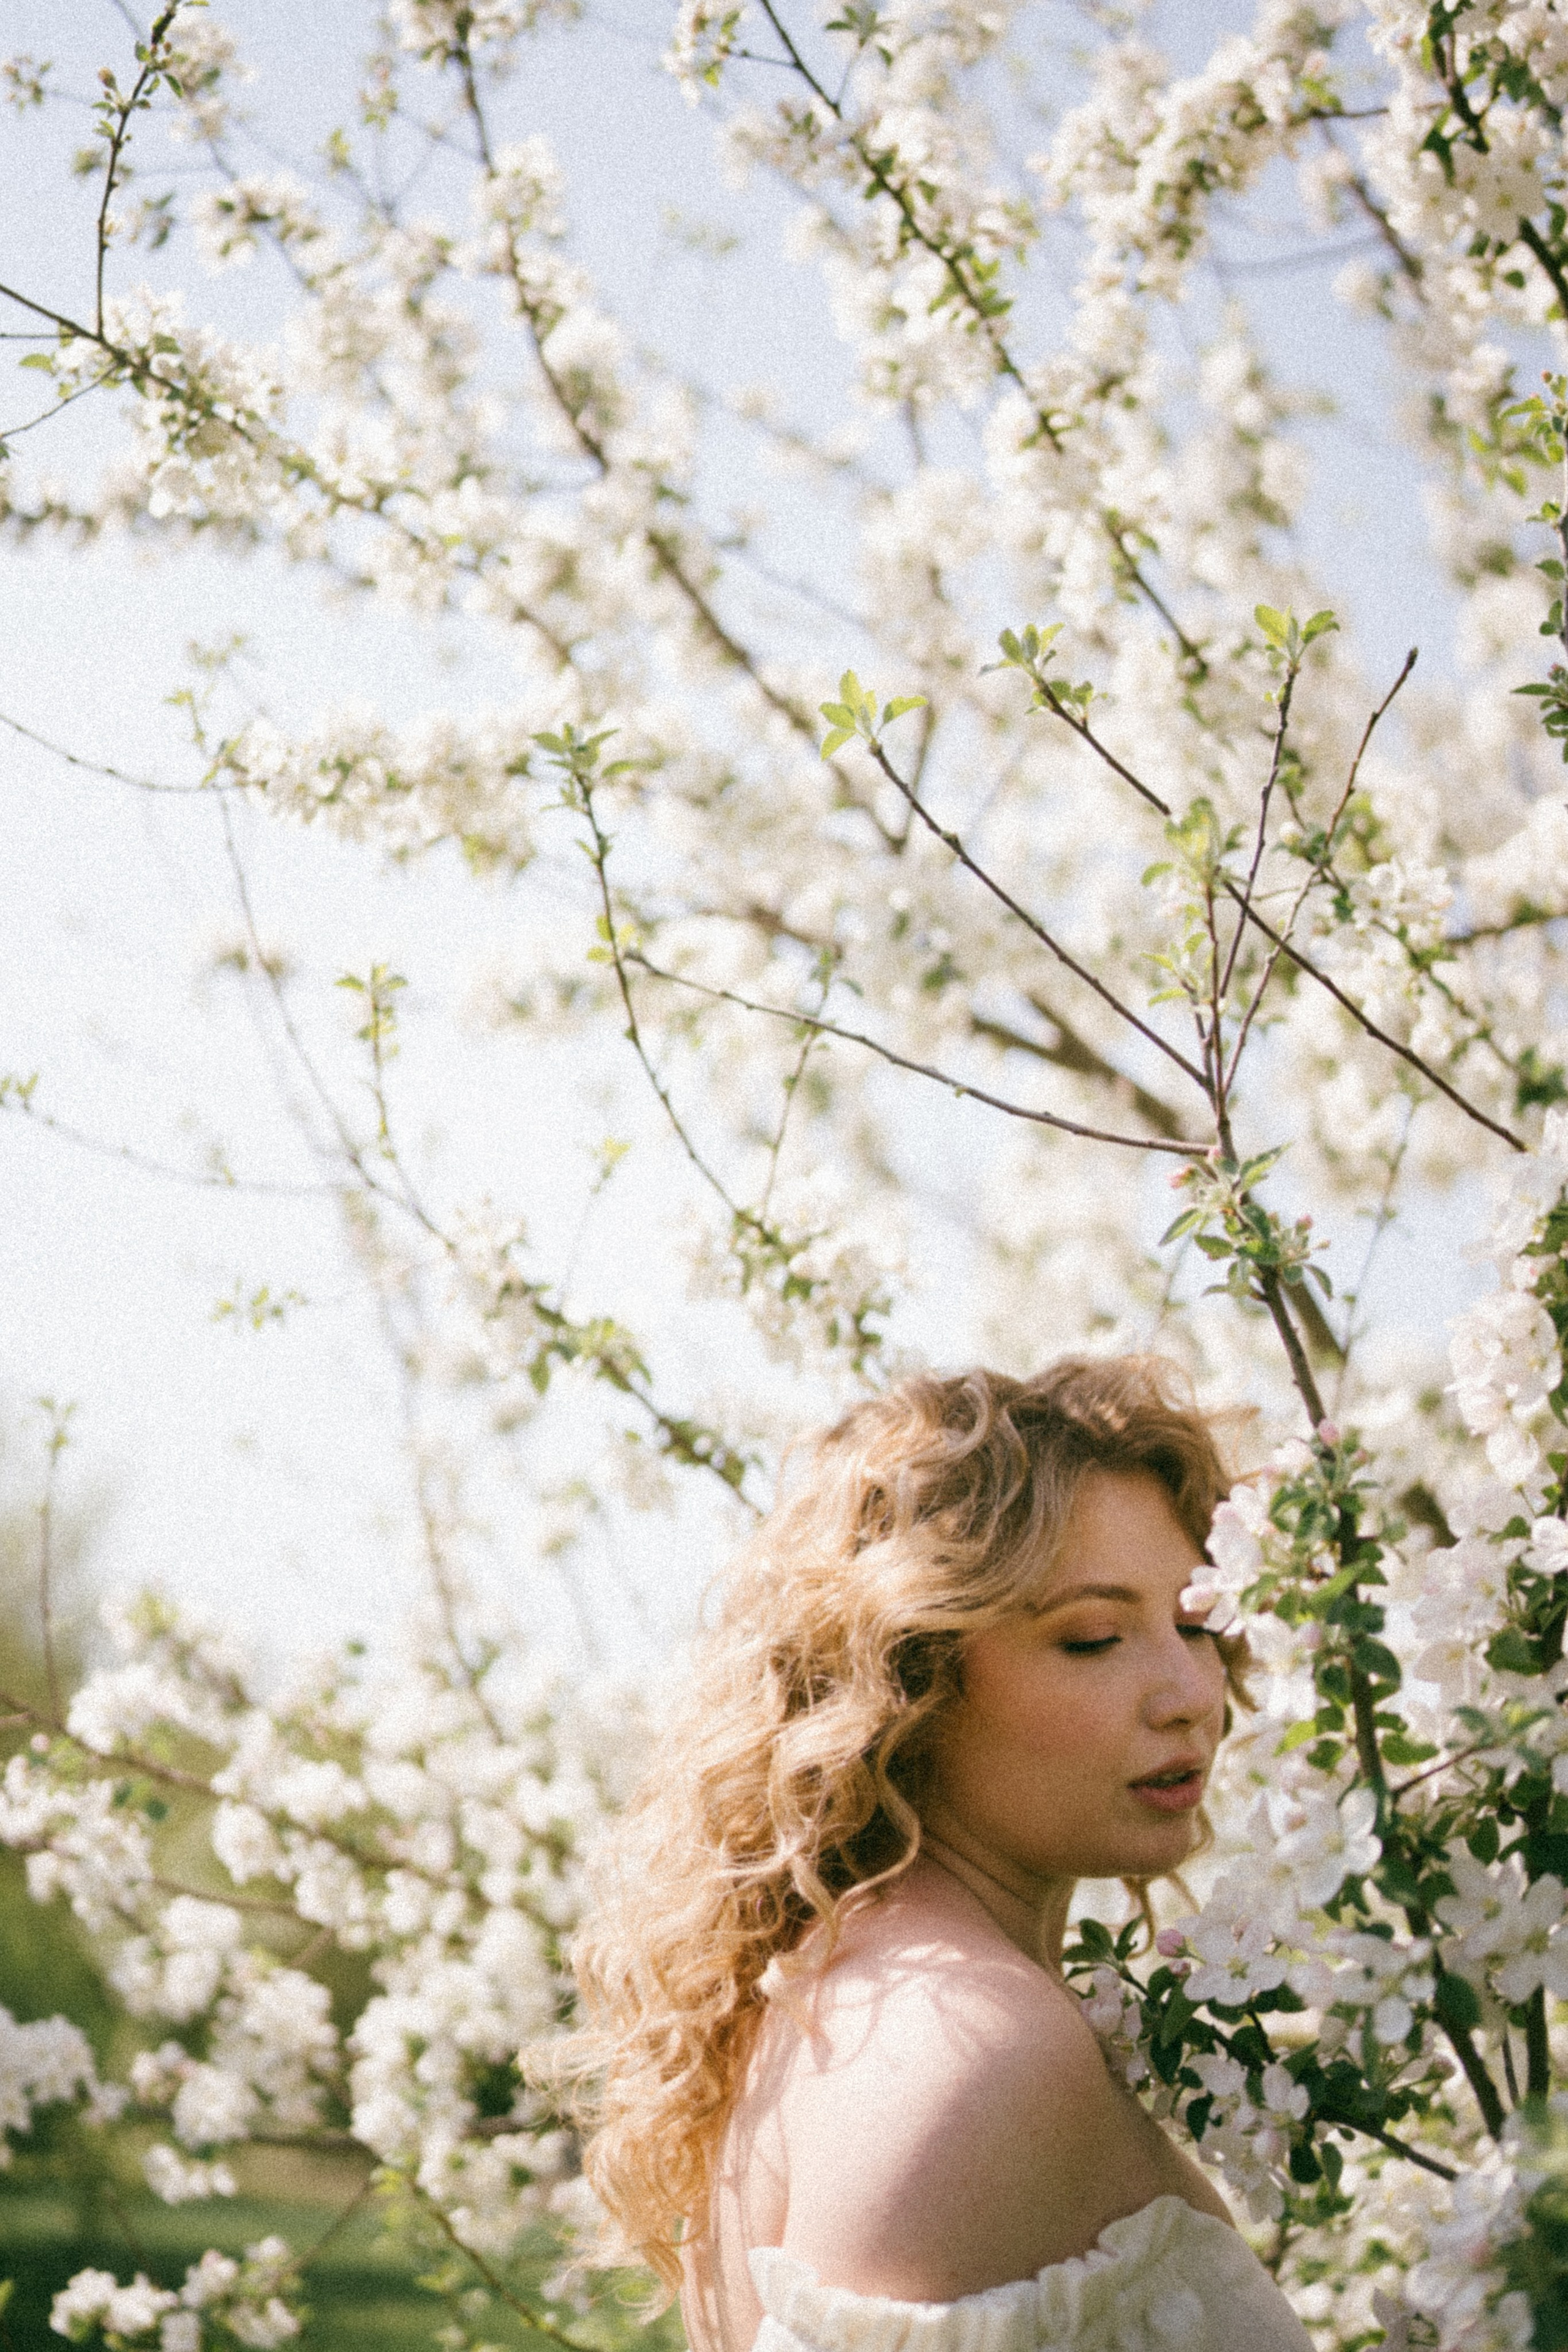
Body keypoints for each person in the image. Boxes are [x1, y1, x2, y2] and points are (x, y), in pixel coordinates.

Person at [559, 1359, 1311, 2352]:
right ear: (912, 1682)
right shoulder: (967, 2045)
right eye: (1092, 1638)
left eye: (1195, 1623)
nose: (1189, 1693)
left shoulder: (844, 1987)